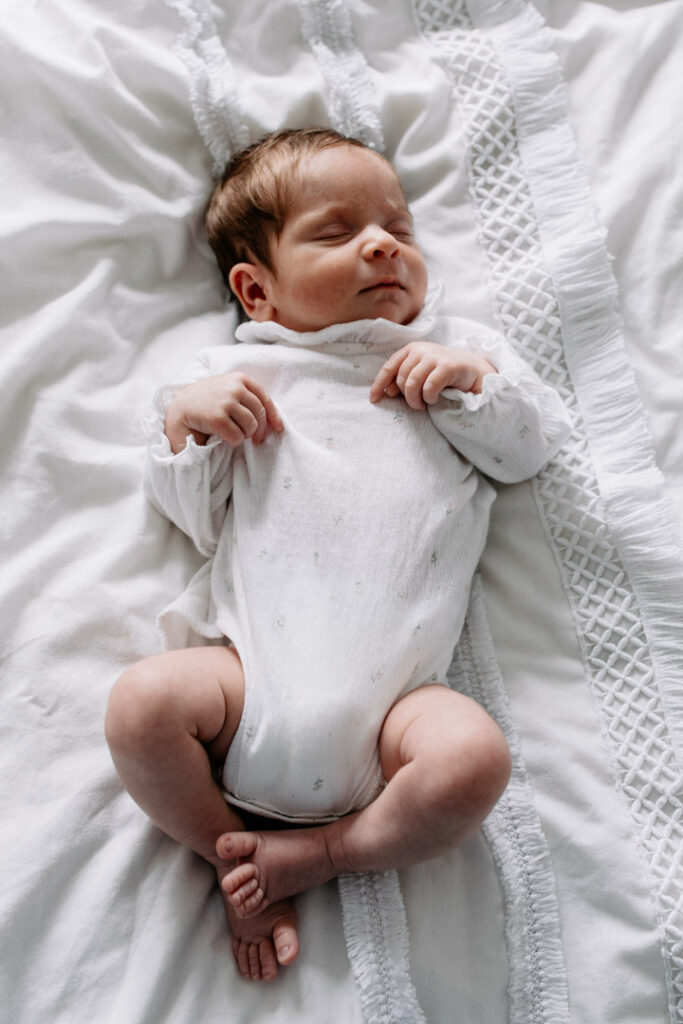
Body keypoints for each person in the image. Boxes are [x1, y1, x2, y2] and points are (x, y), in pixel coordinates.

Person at [105, 128, 570, 982]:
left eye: (398, 227)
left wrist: (470, 384)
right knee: (139, 706)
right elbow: (193, 518)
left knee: (475, 761)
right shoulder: (237, 376)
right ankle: (227, 851)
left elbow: (528, 449)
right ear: (257, 290)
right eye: (336, 231)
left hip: (398, 713)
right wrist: (185, 424)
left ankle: (327, 851)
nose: (383, 242)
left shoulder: (450, 360)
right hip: (245, 684)